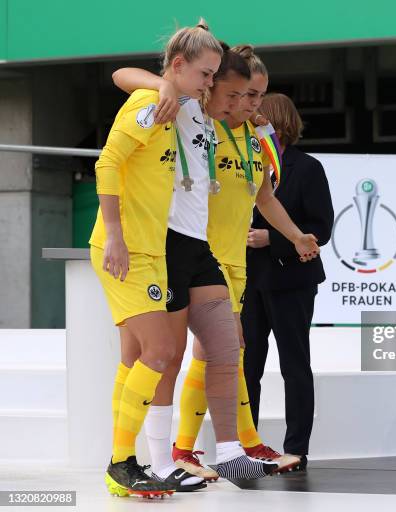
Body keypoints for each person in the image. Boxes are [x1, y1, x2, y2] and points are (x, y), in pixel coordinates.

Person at [110, 28, 284, 486]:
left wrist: (253, 114)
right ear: (194, 75)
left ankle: (227, 450)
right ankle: (152, 460)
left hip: (198, 245)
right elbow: (121, 75)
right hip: (159, 243)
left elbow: (260, 189)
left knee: (227, 343)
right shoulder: (179, 102)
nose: (237, 102)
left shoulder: (220, 120)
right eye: (230, 91)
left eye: (248, 96)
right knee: (156, 356)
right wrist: (162, 83)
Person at [89, 18, 224, 498]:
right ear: (179, 66)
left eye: (215, 76)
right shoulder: (151, 104)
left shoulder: (179, 105)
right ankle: (123, 462)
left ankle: (125, 464)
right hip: (127, 249)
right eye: (205, 74)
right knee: (162, 352)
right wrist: (116, 236)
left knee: (133, 357)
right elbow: (107, 162)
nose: (210, 84)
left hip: (152, 248)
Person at [176, 45, 317, 474]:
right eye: (244, 95)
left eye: (257, 97)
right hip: (201, 256)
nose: (252, 105)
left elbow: (264, 196)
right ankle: (196, 449)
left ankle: (222, 446)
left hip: (235, 262)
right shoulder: (202, 125)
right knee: (216, 352)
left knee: (221, 354)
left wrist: (295, 237)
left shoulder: (258, 136)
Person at [242, 93, 334, 472]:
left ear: (278, 125)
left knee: (294, 364)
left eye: (259, 118)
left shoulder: (307, 168)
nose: (251, 122)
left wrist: (273, 238)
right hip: (247, 279)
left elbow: (321, 229)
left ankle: (295, 448)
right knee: (247, 365)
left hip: (291, 279)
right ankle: (245, 446)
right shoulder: (243, 165)